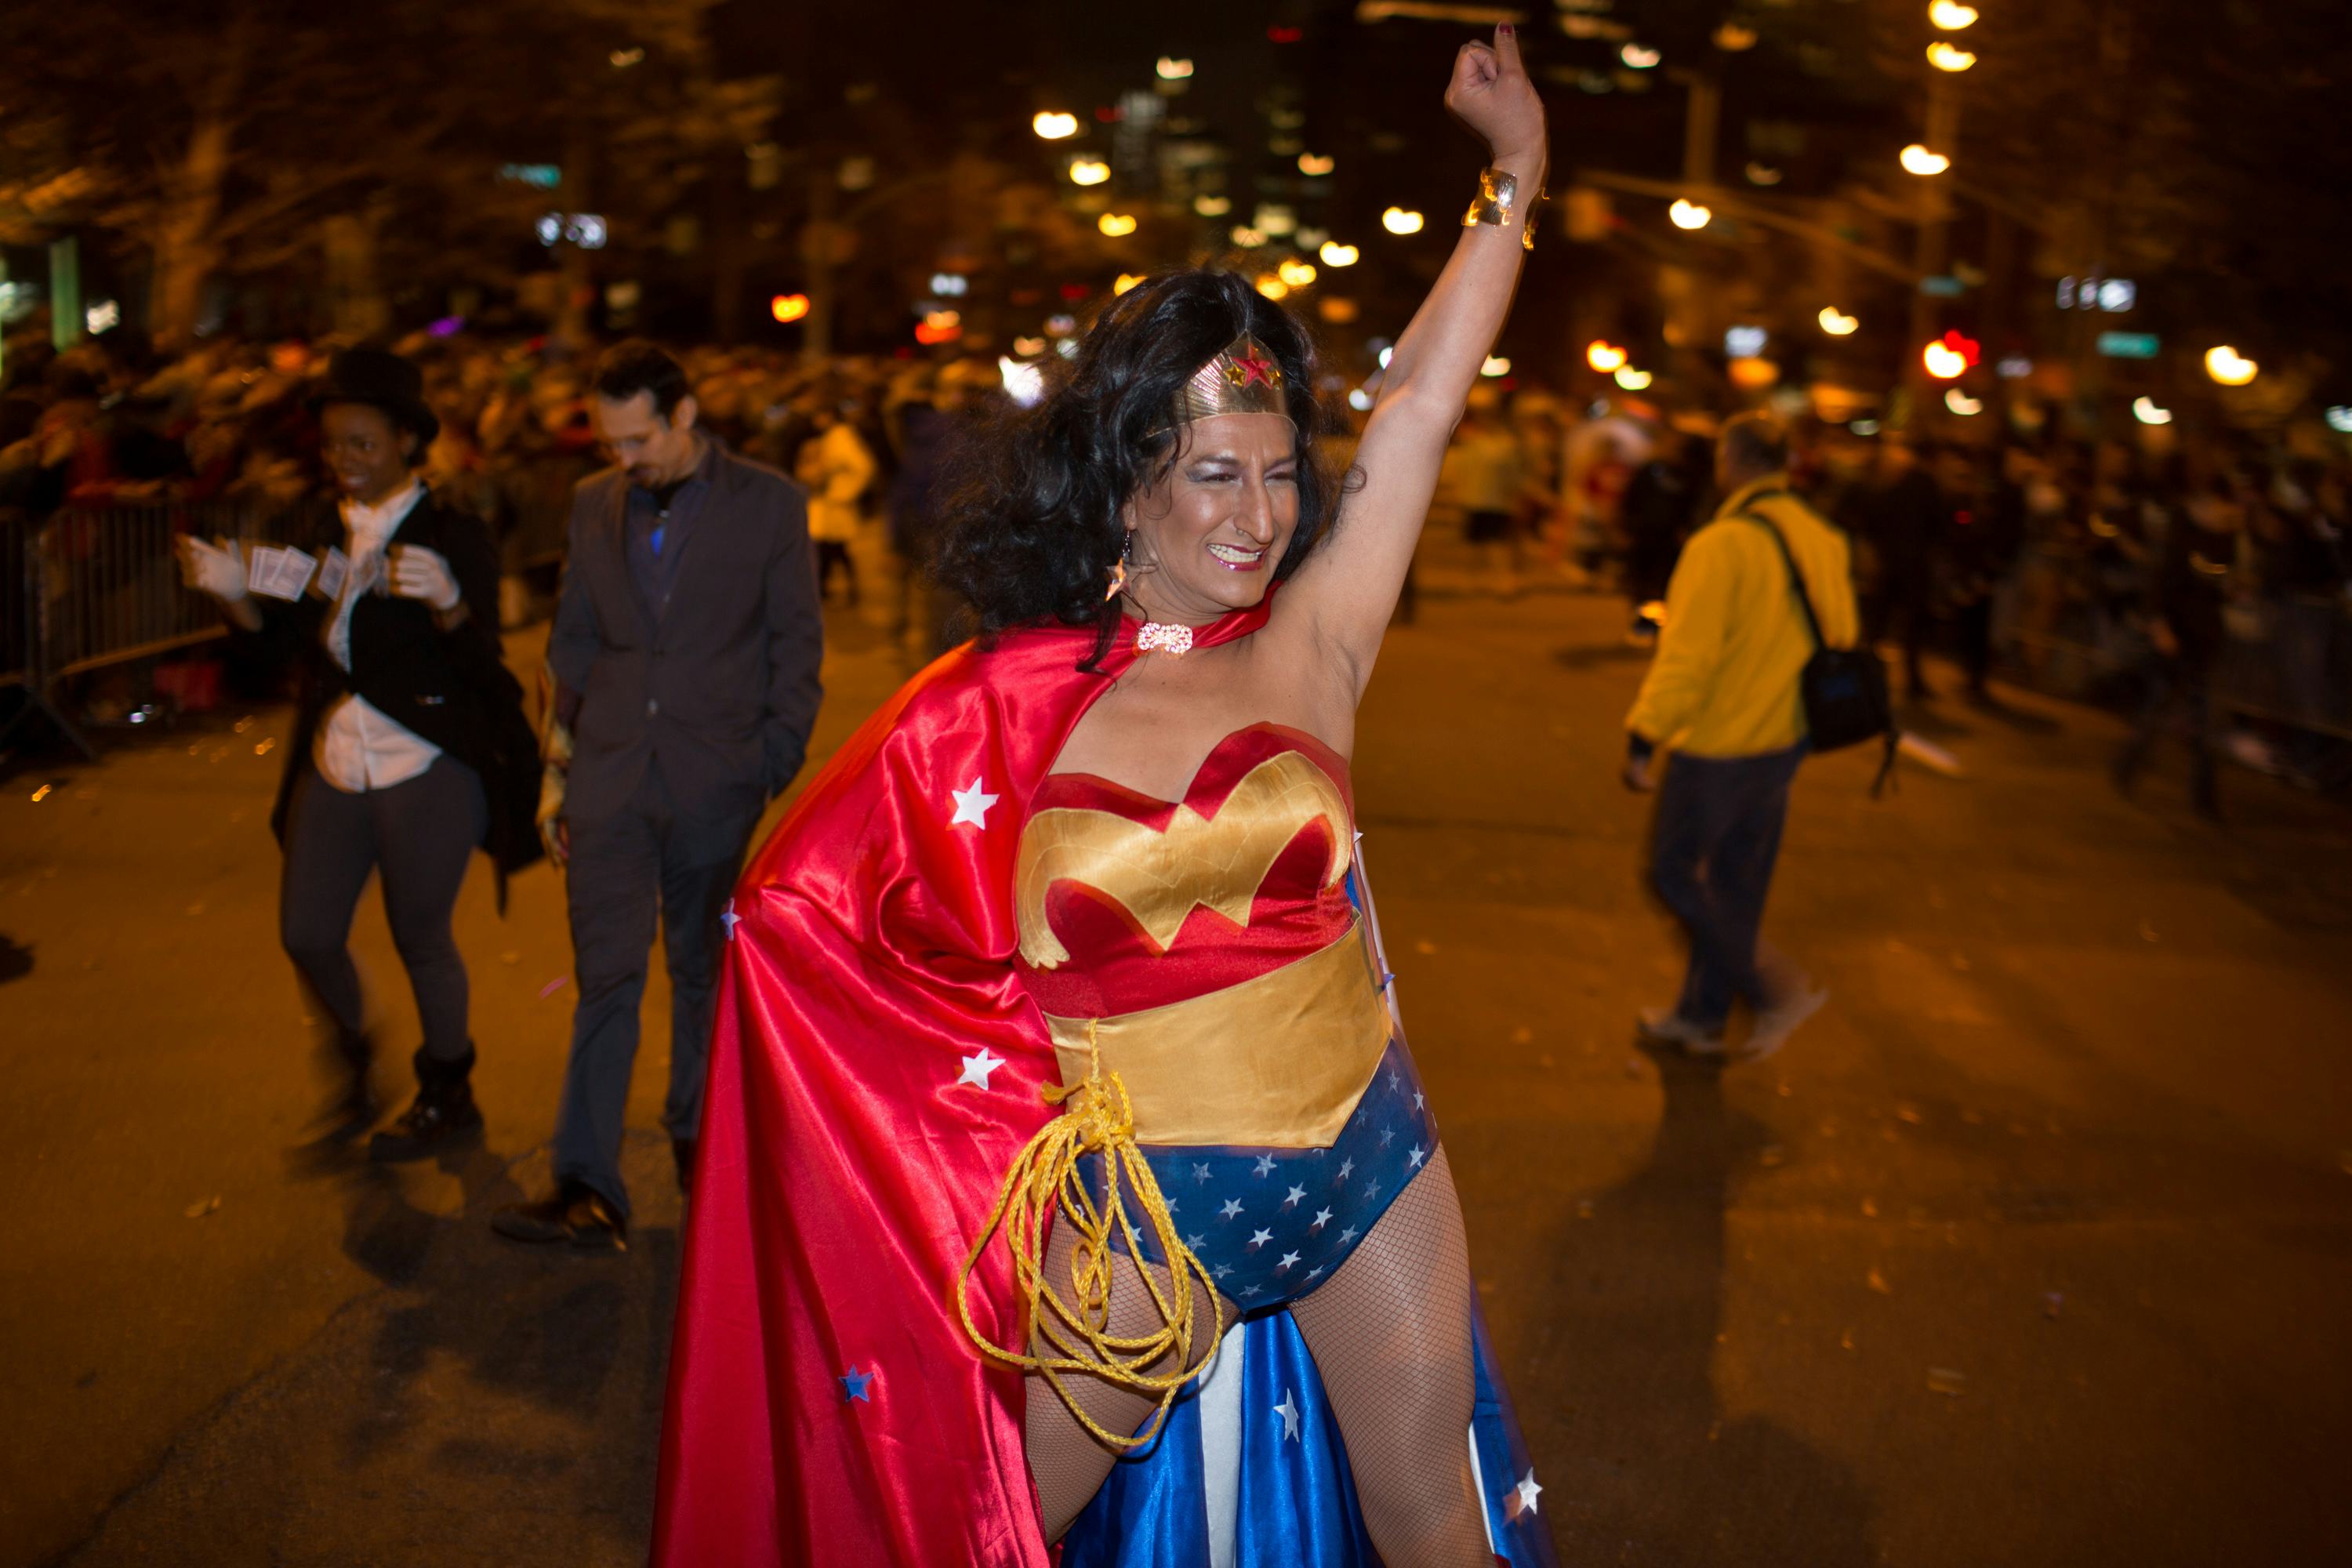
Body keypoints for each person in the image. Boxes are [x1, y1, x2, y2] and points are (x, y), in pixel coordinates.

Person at [652, 27, 1556, 1568]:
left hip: (1372, 1164)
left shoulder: (1315, 644)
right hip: (1141, 1219)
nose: (1260, 514)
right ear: (1129, 482)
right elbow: (801, 909)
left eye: (1278, 473)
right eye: (1215, 474)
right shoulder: (996, 713)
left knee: (1435, 1519)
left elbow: (1416, 407)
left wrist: (1515, 174)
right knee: (987, 1533)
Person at [493, 341, 823, 1250]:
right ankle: (585, 1181)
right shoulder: (592, 502)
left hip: (717, 777)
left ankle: (699, 1147)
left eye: (637, 438)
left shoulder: (769, 502)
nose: (623, 457)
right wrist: (558, 775)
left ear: (683, 414)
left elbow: (796, 642)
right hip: (607, 777)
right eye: (610, 442)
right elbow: (572, 641)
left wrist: (767, 761)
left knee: (700, 971)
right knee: (606, 975)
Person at [175, 347, 542, 1154]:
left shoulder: (453, 531)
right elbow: (278, 650)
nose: (345, 459)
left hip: (427, 758)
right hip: (337, 753)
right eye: (334, 444)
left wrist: (450, 603)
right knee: (307, 932)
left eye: (364, 443)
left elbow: (486, 668)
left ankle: (449, 1090)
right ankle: (355, 1063)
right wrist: (235, 596)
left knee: (421, 936)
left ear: (408, 441)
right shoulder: (322, 525)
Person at [1623, 413, 1857, 1062]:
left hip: (1720, 742)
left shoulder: (1721, 544)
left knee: (1672, 873)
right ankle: (1702, 1017)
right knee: (1736, 886)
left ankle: (1772, 990)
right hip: (1785, 740)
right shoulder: (1823, 538)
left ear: (1732, 460)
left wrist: (1645, 734)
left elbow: (1688, 657)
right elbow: (1842, 634)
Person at [799, 400, 874, 605]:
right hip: (829, 503)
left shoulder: (841, 436)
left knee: (835, 549)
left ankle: (842, 590)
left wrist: (843, 492)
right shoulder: (833, 436)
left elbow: (863, 467)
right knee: (828, 549)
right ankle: (830, 589)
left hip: (835, 503)